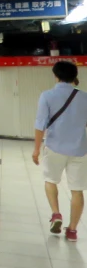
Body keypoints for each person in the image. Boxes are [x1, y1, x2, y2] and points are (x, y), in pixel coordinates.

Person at [33, 61, 87, 242]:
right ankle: (72, 230)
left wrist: (36, 150)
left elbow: (40, 124)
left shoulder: (47, 96)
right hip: (79, 149)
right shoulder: (84, 97)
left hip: (55, 147)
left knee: (50, 180)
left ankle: (56, 214)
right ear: (74, 77)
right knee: (77, 190)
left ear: (56, 75)